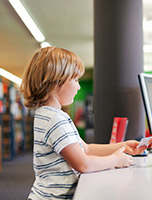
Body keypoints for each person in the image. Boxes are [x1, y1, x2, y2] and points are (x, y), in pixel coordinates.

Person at [20, 47, 145, 200]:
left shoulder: (49, 115)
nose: (78, 87)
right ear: (56, 82)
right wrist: (115, 160)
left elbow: (85, 149)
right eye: (75, 80)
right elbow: (83, 164)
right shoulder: (55, 119)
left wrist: (123, 146)